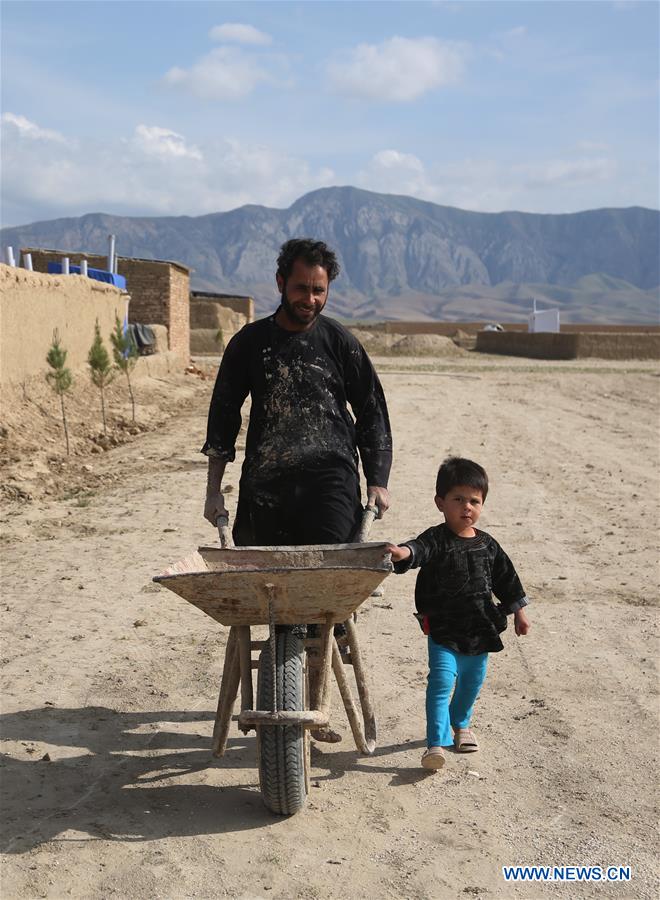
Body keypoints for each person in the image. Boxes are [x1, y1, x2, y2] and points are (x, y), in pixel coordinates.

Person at [202, 238, 393, 739]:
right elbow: (223, 418)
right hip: (265, 484)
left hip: (330, 481)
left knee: (320, 593)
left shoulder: (340, 343)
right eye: (302, 288)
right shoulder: (248, 343)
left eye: (320, 290)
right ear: (280, 283)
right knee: (274, 595)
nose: (311, 299)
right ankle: (292, 690)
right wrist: (213, 490)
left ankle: (311, 702)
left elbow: (372, 411)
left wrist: (377, 480)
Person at [386, 456, 530, 771]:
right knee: (440, 683)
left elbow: (507, 580)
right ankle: (434, 744)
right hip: (444, 631)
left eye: (474, 501)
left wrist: (519, 612)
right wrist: (403, 553)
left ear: (482, 505)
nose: (467, 506)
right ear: (441, 502)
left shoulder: (488, 545)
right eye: (458, 499)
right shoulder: (437, 539)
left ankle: (461, 725)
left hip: (481, 631)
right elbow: (418, 549)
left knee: (470, 685)